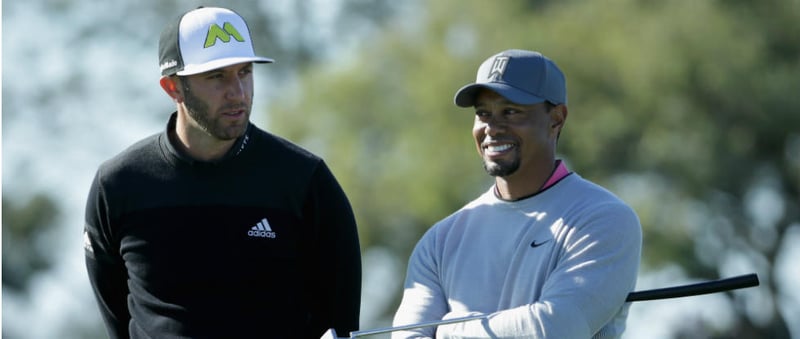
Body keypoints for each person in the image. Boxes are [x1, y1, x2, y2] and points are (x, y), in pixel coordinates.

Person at [83, 7, 361, 339]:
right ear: (173, 88)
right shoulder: (117, 186)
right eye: (217, 76)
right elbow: (116, 315)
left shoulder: (305, 180)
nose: (238, 92)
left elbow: (340, 323)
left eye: (244, 72)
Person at [391, 49, 642, 338]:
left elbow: (554, 328)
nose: (492, 128)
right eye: (483, 114)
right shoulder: (440, 240)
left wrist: (448, 330)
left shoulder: (603, 218)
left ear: (556, 119)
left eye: (511, 111)